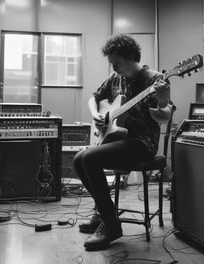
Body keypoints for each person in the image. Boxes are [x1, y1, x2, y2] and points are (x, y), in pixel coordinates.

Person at [73, 34, 173, 251]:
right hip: (117, 139)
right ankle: (103, 212)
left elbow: (165, 116)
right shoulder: (115, 78)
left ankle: (111, 226)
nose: (113, 65)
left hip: (142, 144)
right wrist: (97, 115)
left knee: (89, 157)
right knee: (78, 159)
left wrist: (163, 99)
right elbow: (94, 98)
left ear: (129, 57)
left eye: (116, 61)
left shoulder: (154, 80)